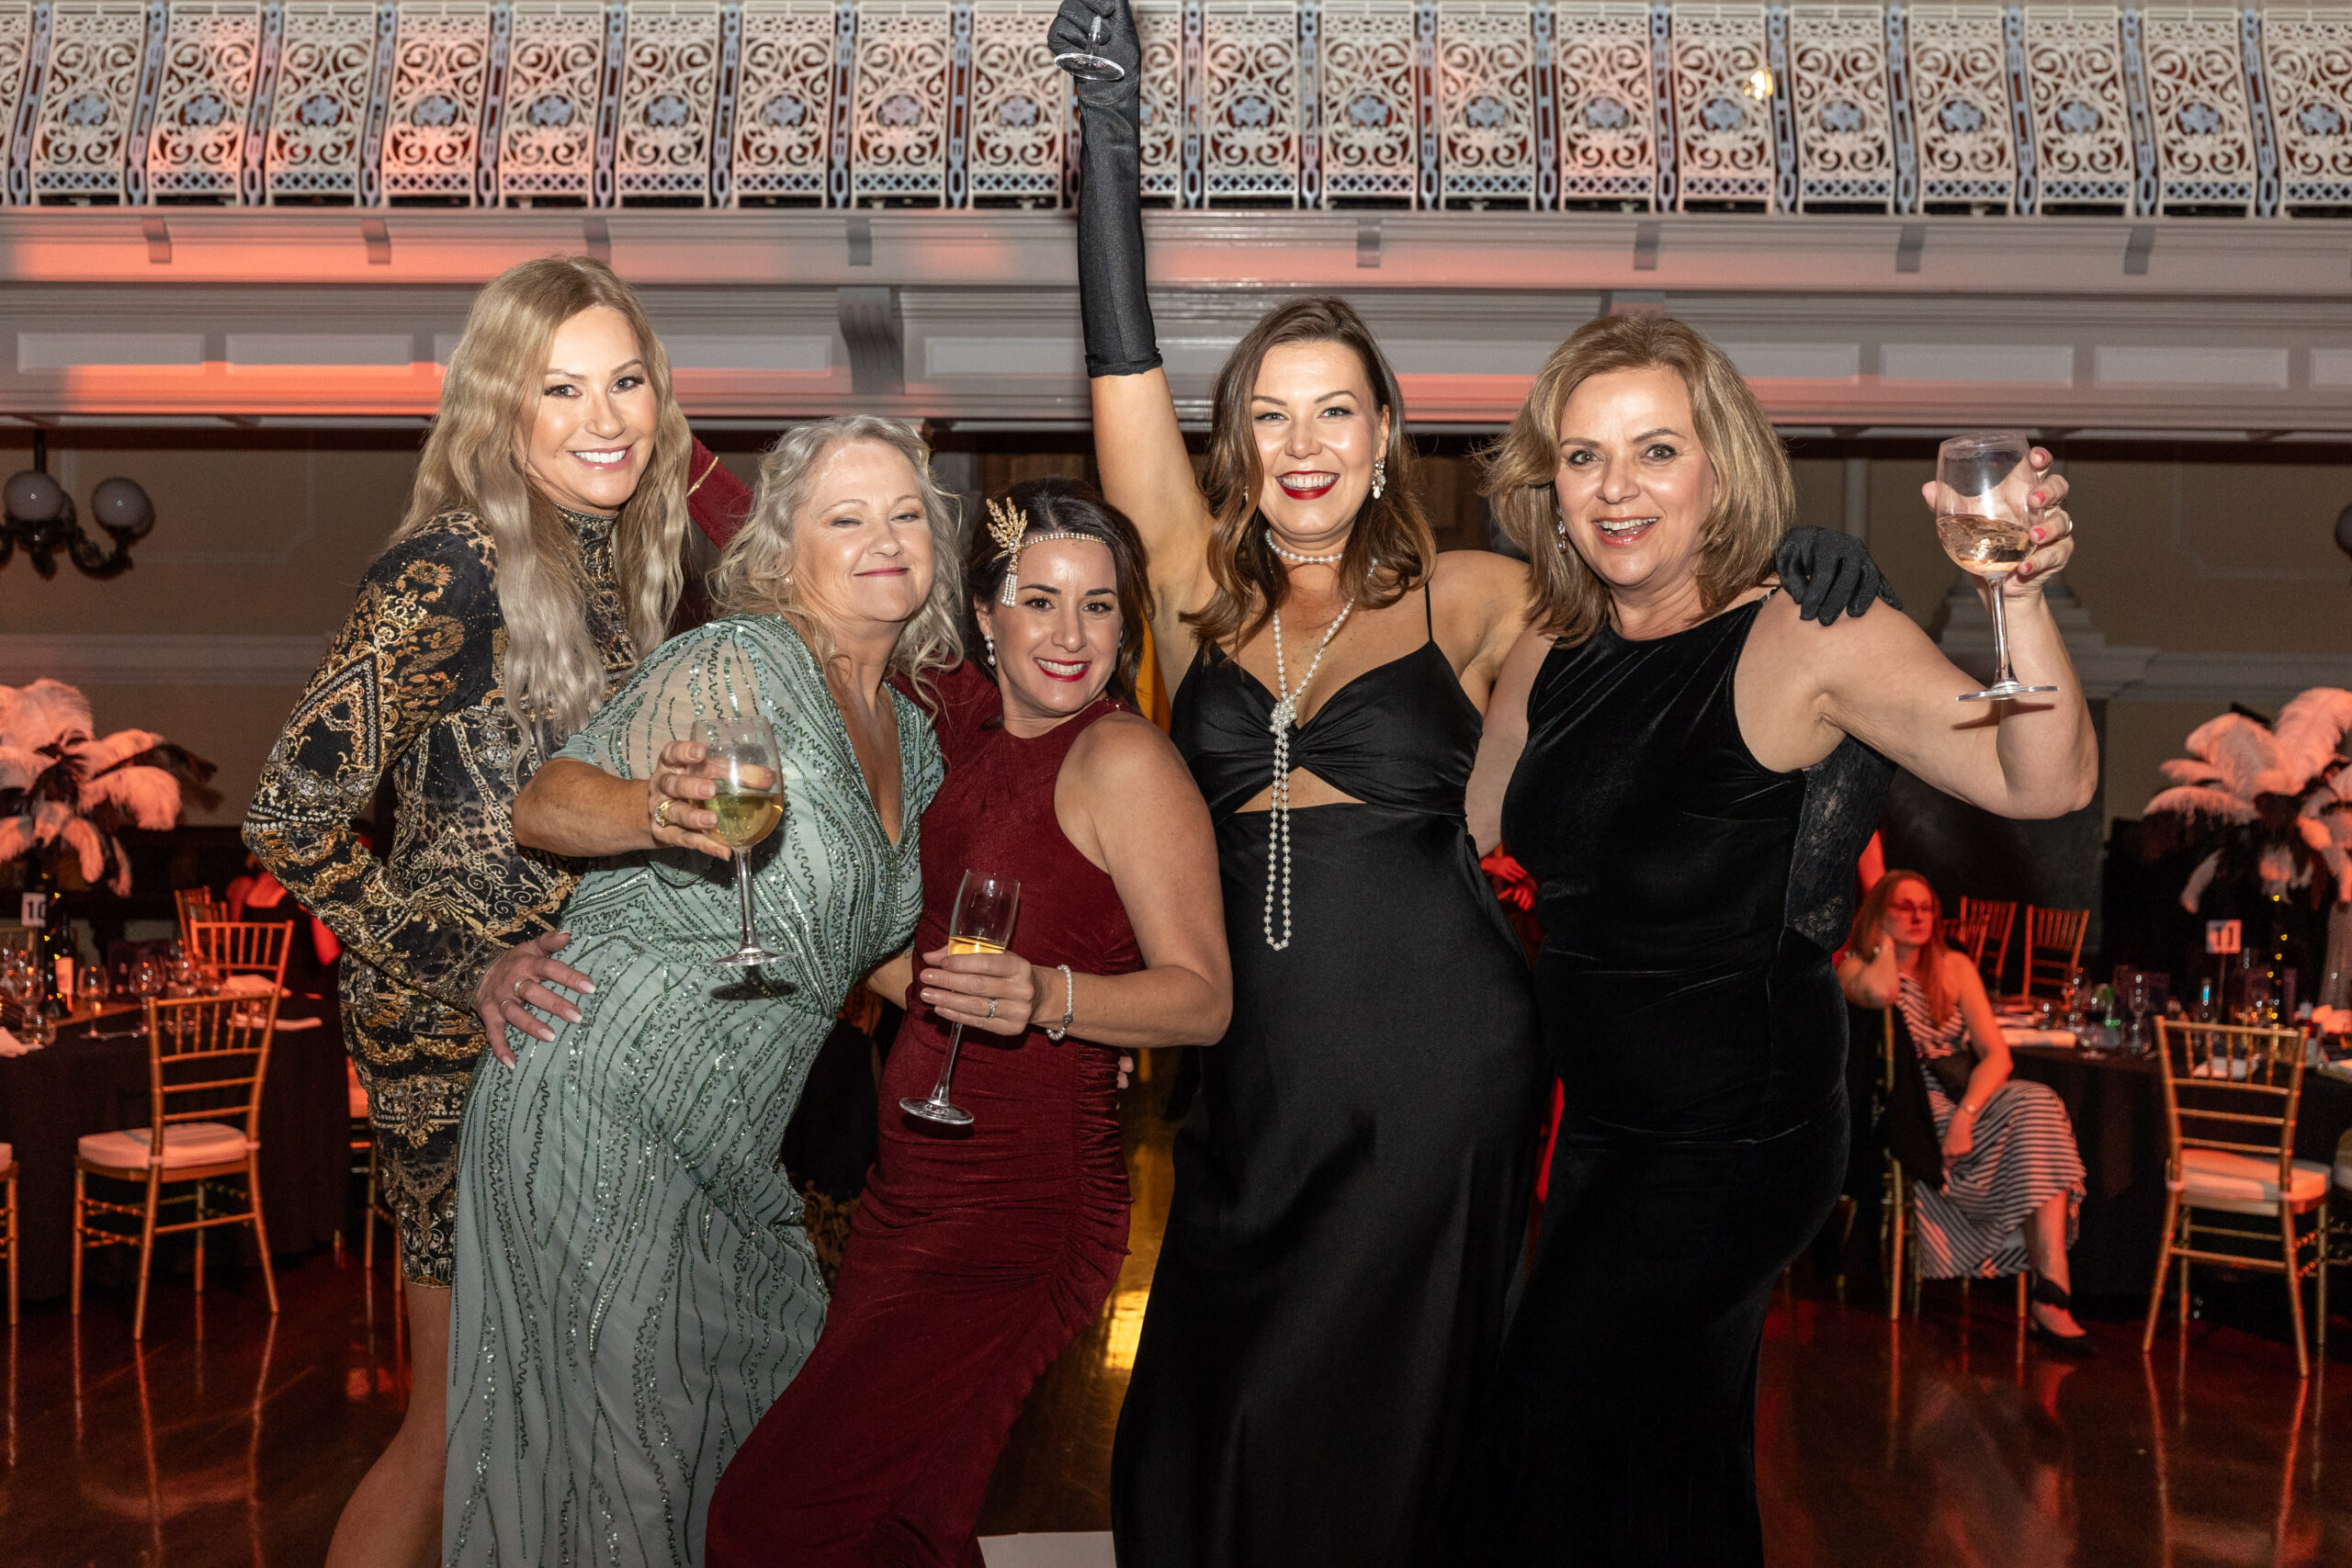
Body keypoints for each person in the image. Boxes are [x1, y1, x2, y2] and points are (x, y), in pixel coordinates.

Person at [1045, 5, 1889, 1560]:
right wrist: (1109, 133)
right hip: (1256, 1081)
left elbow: (1663, 603)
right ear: (1237, 444)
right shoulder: (1194, 592)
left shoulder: (1481, 596)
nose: (1303, 443)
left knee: (1382, 1440)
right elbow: (1121, 368)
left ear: (1384, 439)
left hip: (1444, 1072)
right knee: (1193, 1433)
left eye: (1336, 411)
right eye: (1270, 415)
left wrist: (1796, 563)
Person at [1459, 311, 2098, 1564]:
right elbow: (1470, 825)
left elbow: (2046, 779)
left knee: (1553, 1447)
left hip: (1734, 1133)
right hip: (1602, 1127)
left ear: (1723, 467)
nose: (1615, 487)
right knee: (1668, 1459)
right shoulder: (1553, 642)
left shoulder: (1806, 631)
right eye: (1583, 456)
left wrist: (2012, 593)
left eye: (1656, 450)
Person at [245, 254, 740, 1568]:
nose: (604, 417)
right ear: (498, 408)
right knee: (457, 1423)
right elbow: (288, 816)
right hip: (455, 1037)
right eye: (559, 388)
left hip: (572, 1032)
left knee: (561, 1416)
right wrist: (466, 967)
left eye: (625, 381)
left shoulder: (625, 565)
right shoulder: (449, 572)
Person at [443, 414, 958, 1568]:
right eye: (846, 517)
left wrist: (1048, 1004)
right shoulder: (740, 662)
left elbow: (869, 951)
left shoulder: (915, 742)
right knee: (632, 1467)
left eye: (905, 515)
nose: (884, 540)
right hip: (601, 1093)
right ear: (785, 550)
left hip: (733, 1142)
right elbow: (545, 802)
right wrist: (651, 810)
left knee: (764, 1421)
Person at [704, 478, 1231, 1567]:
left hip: (1018, 1201)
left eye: (1097, 606)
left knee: (768, 1520)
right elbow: (929, 975)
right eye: (1039, 600)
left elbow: (1203, 999)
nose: (1070, 634)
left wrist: (1053, 998)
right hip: (915, 1182)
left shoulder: (1122, 759)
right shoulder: (959, 732)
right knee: (905, 1524)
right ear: (986, 615)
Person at [1837, 870, 2090, 1343]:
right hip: (1911, 1108)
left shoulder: (1953, 966)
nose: (1918, 917)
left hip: (1966, 1098)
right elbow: (1882, 993)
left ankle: (2054, 1284)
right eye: (1904, 907)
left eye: (1926, 908)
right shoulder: (1854, 968)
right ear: (1877, 915)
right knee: (2035, 1125)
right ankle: (2052, 1298)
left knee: (2040, 1104)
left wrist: (1966, 1116)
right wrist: (1883, 946)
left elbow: (1997, 1056)